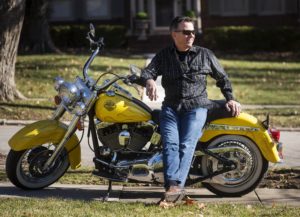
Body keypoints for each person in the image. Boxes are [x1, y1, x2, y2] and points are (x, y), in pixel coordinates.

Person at [140, 16, 241, 202]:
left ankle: (175, 186)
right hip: (171, 107)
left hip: (196, 107)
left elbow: (223, 78)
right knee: (170, 144)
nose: (191, 35)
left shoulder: (205, 54)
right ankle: (172, 184)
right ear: (174, 34)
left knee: (186, 144)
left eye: (193, 32)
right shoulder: (164, 55)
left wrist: (231, 99)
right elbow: (147, 71)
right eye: (186, 32)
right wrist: (149, 81)